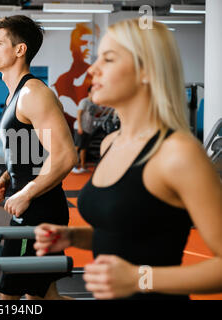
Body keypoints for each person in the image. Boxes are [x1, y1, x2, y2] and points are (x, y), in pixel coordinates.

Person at [33, 18, 222, 300]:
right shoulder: (111, 143)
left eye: (108, 59)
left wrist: (140, 278)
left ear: (146, 70)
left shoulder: (178, 154)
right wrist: (73, 237)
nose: (93, 69)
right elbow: (127, 236)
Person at [0, 15, 78, 300]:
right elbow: (29, 150)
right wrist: (5, 179)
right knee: (44, 296)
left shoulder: (34, 93)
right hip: (34, 206)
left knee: (7, 296)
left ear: (19, 49)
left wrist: (26, 191)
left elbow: (65, 155)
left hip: (39, 211)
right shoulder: (14, 94)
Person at [72, 86, 102, 173]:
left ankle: (82, 166)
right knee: (77, 147)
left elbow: (102, 111)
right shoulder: (84, 101)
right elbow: (79, 113)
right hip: (80, 128)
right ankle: (72, 167)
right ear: (89, 93)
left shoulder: (94, 105)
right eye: (94, 92)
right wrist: (80, 127)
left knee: (84, 148)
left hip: (88, 129)